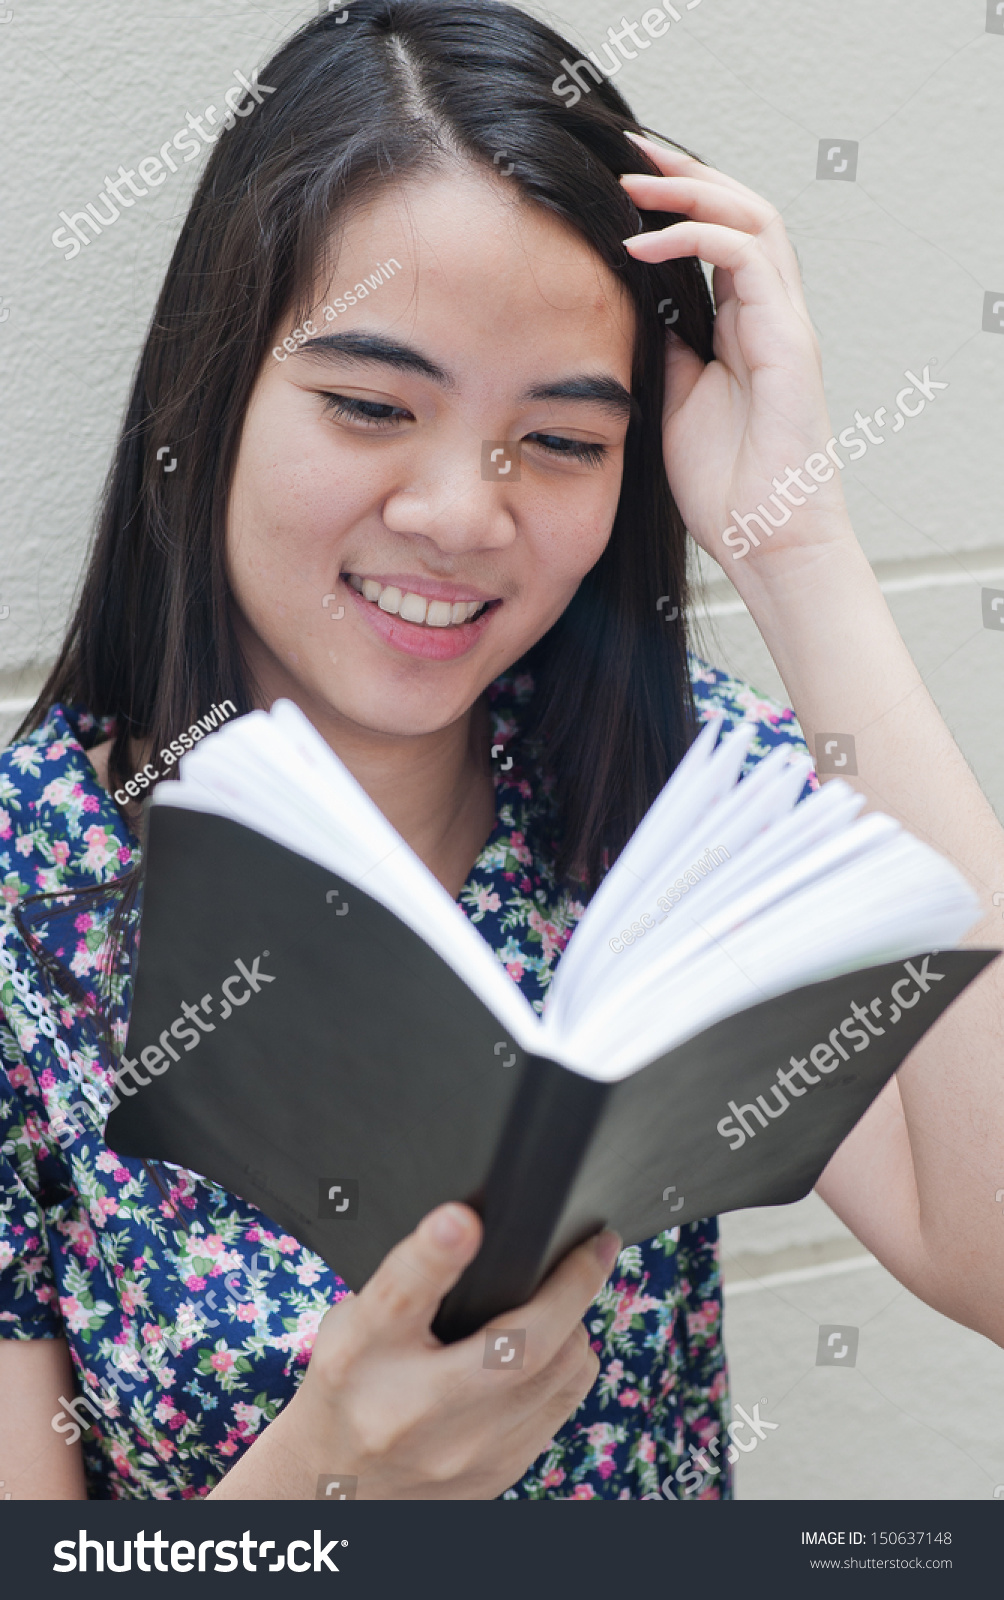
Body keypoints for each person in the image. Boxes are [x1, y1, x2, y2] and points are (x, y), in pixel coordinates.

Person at [1, 0, 1001, 1502]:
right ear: (209, 399)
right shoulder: (33, 894)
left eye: (563, 439)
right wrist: (328, 1483)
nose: (465, 516)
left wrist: (797, 544)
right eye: (368, 404)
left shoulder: (672, 790)